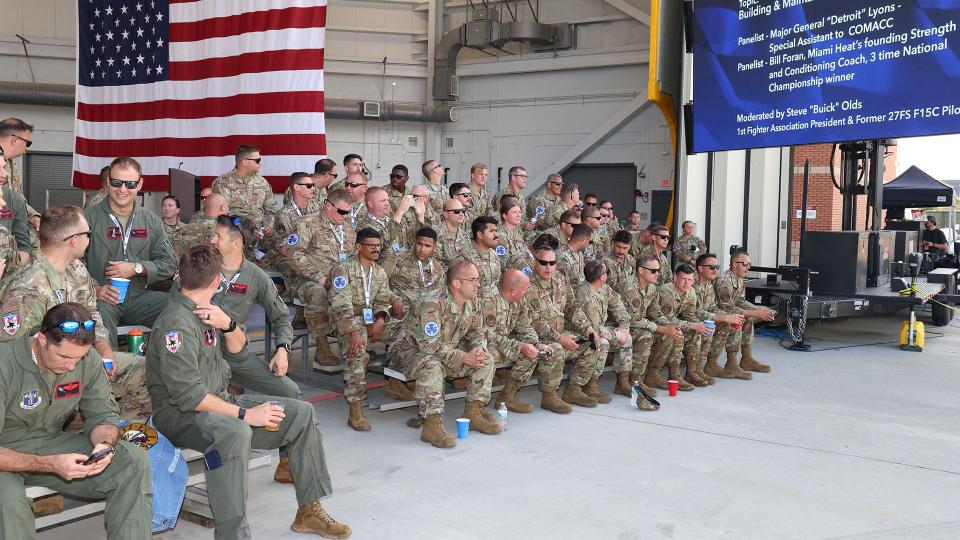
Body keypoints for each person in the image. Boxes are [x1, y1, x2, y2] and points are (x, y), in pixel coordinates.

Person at [147, 246, 350, 539]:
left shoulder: (210, 308)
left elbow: (238, 349)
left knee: (301, 414)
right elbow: (191, 398)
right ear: (217, 280)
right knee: (235, 432)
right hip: (180, 415)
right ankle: (233, 534)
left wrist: (228, 325)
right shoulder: (174, 326)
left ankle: (309, 511)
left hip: (218, 401)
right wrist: (246, 414)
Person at [0, 303, 152, 539]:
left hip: (52, 444)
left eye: (78, 358)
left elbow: (103, 415)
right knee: (8, 503)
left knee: (132, 461)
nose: (71, 366)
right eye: (64, 356)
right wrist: (50, 465)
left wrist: (105, 445)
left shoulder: (87, 359)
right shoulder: (4, 364)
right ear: (41, 339)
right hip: (6, 454)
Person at [0, 206, 150, 419]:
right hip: (46, 374)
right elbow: (22, 357)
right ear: (74, 240)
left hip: (83, 358)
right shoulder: (27, 288)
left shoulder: (76, 268)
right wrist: (85, 369)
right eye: (88, 234)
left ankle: (116, 434)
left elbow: (91, 313)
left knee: (146, 370)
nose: (90, 239)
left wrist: (105, 350)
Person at [206, 215, 302, 481]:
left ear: (237, 243)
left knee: (289, 391)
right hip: (201, 356)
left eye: (219, 236)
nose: (212, 240)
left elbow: (281, 316)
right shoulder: (202, 267)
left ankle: (286, 463)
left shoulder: (255, 276)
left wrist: (282, 348)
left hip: (236, 355)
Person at [389, 260, 501, 448]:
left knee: (486, 358)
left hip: (445, 351)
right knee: (431, 364)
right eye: (473, 280)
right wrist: (464, 357)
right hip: (409, 351)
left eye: (478, 279)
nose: (478, 284)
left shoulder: (470, 302)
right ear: (457, 283)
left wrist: (478, 349)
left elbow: (476, 332)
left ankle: (473, 413)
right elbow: (428, 345)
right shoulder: (432, 303)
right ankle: (431, 425)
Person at [84, 157, 177, 348]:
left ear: (140, 184)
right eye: (117, 182)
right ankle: (111, 371)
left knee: (179, 308)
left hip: (139, 297)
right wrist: (95, 289)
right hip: (104, 297)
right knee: (99, 322)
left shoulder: (151, 221)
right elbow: (71, 263)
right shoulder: (87, 218)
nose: (123, 189)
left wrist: (136, 268)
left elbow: (169, 264)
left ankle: (168, 365)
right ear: (108, 182)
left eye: (130, 183)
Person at [328, 228, 405, 431]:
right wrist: (354, 332)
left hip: (371, 319)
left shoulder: (378, 271)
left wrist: (380, 318)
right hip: (348, 320)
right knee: (359, 349)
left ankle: (398, 381)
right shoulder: (342, 269)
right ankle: (355, 407)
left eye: (378, 245)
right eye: (371, 246)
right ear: (358, 247)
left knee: (405, 331)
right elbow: (340, 304)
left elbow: (382, 297)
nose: (376, 249)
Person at [286, 189, 357, 367]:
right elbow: (294, 255)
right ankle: (322, 346)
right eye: (341, 211)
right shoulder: (307, 223)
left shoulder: (348, 228)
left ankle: (353, 340)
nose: (345, 216)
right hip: (307, 279)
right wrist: (318, 277)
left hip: (338, 280)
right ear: (327, 205)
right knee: (318, 294)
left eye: (348, 212)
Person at [523, 245, 594, 413]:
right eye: (543, 262)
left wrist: (587, 329)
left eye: (552, 263)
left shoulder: (560, 280)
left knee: (593, 342)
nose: (548, 267)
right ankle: (549, 397)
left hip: (560, 333)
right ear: (534, 263)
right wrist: (558, 338)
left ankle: (574, 389)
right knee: (557, 349)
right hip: (537, 338)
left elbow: (572, 307)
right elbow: (533, 321)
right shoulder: (528, 285)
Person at [486, 269, 555, 413]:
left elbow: (524, 326)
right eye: (524, 289)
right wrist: (519, 347)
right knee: (490, 355)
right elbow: (487, 335)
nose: (527, 292)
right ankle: (476, 407)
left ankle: (507, 397)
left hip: (503, 342)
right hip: (482, 344)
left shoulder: (519, 299)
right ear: (512, 291)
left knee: (532, 352)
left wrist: (535, 343)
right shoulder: (488, 300)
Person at [613, 254, 674, 406]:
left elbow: (655, 312)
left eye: (658, 270)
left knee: (668, 335)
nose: (657, 274)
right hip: (620, 327)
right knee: (646, 335)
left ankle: (645, 377)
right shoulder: (629, 286)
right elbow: (632, 319)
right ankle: (623, 382)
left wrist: (669, 326)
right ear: (641, 270)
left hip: (638, 325)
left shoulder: (651, 287)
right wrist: (660, 328)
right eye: (653, 271)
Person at [569, 260, 631, 406]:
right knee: (601, 343)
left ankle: (623, 381)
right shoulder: (585, 294)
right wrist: (616, 335)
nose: (607, 276)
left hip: (597, 330)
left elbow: (618, 306)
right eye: (606, 273)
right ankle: (591, 385)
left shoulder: (604, 288)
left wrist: (624, 327)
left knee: (627, 338)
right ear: (602, 277)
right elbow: (593, 329)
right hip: (581, 333)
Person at [714, 250, 776, 378]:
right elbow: (728, 309)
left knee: (747, 318)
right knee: (738, 320)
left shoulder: (739, 280)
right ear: (735, 264)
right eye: (745, 264)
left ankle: (746, 359)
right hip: (716, 315)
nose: (748, 267)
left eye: (749, 264)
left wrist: (760, 309)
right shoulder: (724, 282)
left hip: (726, 313)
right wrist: (756, 312)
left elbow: (740, 302)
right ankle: (731, 363)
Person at [645, 263, 702, 392]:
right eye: (683, 279)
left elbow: (689, 315)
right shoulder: (667, 291)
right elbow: (668, 319)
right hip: (657, 324)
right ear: (675, 278)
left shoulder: (691, 291)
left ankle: (692, 371)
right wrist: (693, 325)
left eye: (690, 280)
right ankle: (672, 374)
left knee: (696, 332)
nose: (686, 283)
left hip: (671, 323)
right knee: (677, 334)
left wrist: (700, 325)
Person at [693, 253, 745, 384]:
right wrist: (723, 317)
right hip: (689, 321)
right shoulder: (692, 284)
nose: (715, 270)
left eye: (717, 267)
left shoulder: (708, 284)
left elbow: (712, 307)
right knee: (719, 323)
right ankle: (694, 370)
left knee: (729, 321)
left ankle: (711, 364)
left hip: (701, 319)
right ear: (700, 268)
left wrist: (728, 317)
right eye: (711, 267)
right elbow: (696, 312)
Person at [212, 145, 281, 237]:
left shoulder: (262, 182)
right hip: (235, 236)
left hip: (261, 237)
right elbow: (222, 212)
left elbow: (271, 208)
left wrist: (269, 225)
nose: (260, 164)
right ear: (245, 162)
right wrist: (245, 230)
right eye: (257, 161)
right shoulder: (223, 182)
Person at [460, 216, 502, 299]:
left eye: (496, 231)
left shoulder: (494, 254)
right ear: (480, 235)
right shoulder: (465, 257)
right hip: (475, 307)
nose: (496, 234)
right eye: (491, 231)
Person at [556, 224, 593, 291]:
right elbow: (563, 286)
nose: (590, 244)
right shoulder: (563, 257)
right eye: (590, 241)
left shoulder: (579, 252)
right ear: (583, 240)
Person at [435, 198, 469, 266]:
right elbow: (436, 263)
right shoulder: (437, 234)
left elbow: (469, 258)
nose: (461, 214)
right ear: (446, 214)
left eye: (463, 211)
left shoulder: (464, 236)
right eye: (457, 211)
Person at [496, 198, 527, 271]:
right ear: (504, 216)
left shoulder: (517, 232)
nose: (518, 215)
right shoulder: (500, 236)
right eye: (514, 212)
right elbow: (501, 264)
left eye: (519, 212)